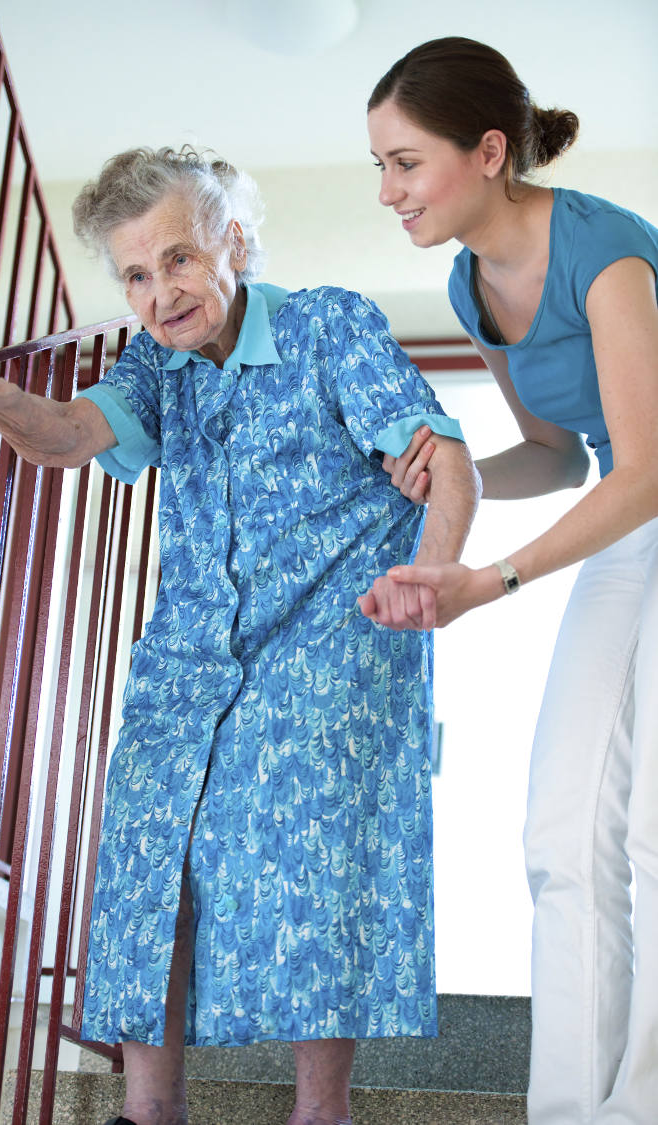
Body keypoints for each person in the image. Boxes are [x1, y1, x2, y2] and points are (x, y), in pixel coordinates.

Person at [0, 146, 479, 1125]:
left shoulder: (325, 325)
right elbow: (71, 436)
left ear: (235, 243)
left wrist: (441, 569)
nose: (159, 291)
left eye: (177, 259)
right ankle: (149, 1112)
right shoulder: (156, 364)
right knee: (147, 873)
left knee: (308, 874)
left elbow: (441, 458)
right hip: (188, 665)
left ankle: (320, 1113)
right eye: (135, 273)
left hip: (323, 655)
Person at [364, 36, 658, 1125]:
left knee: (647, 831)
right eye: (379, 168)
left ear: (489, 151)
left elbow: (648, 465)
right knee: (558, 833)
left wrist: (492, 578)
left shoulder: (605, 248)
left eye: (405, 163)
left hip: (655, 495)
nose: (389, 192)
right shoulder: (470, 278)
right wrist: (439, 473)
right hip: (633, 513)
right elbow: (557, 456)